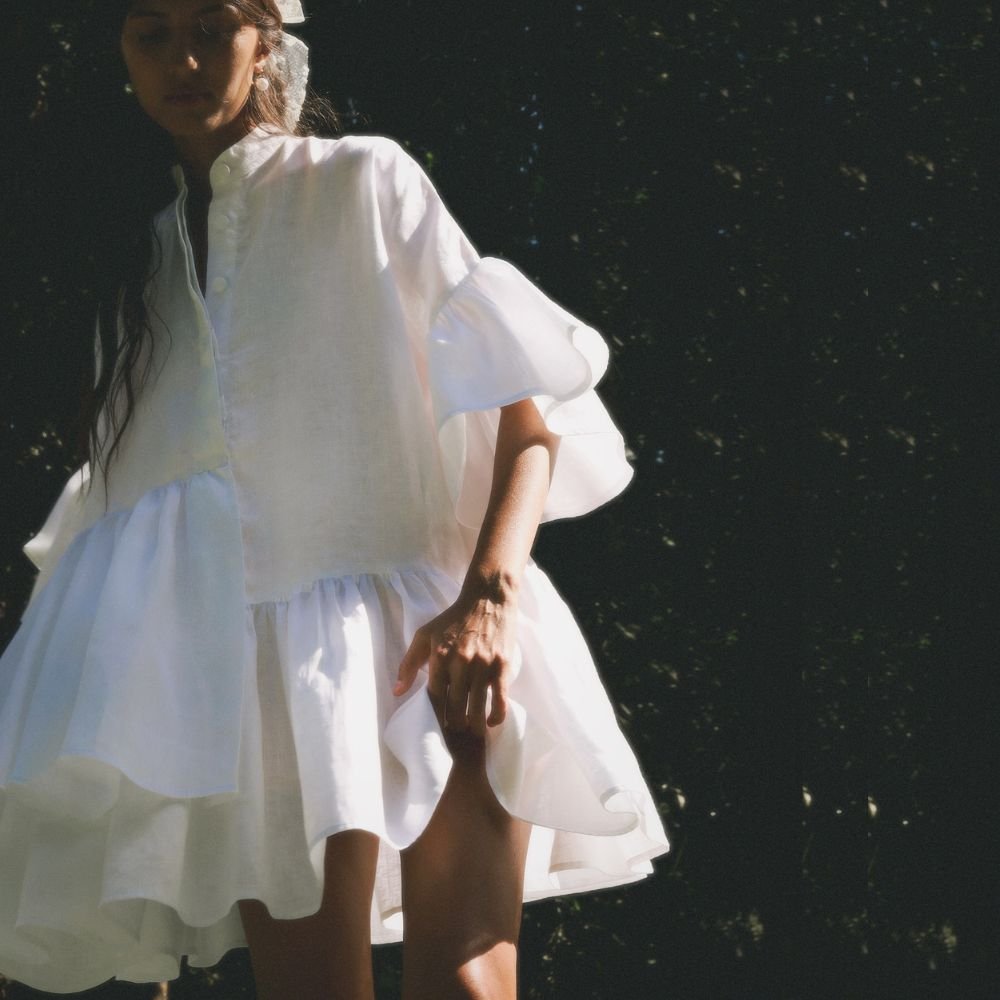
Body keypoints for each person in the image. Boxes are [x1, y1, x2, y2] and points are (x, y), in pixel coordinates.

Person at [0, 1, 669, 997]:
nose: (183, 59)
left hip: (444, 647)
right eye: (151, 33)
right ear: (121, 52)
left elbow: (528, 425)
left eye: (211, 27)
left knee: (468, 988)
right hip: (266, 706)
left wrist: (486, 601)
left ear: (266, 38)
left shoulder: (364, 181)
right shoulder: (128, 276)